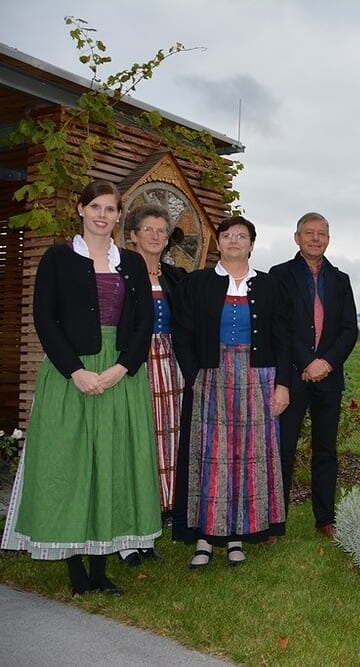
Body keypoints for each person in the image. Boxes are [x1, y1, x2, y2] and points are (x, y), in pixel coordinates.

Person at [1, 179, 160, 596]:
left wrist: (122, 367)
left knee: (111, 462)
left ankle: (101, 567)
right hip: (69, 371)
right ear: (81, 209)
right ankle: (75, 572)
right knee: (71, 464)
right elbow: (45, 318)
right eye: (96, 207)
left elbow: (144, 322)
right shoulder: (58, 258)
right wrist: (75, 370)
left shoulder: (131, 261)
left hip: (120, 373)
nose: (103, 216)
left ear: (118, 215)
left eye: (110, 209)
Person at [171, 216, 291, 568]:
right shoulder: (198, 283)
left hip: (258, 377)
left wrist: (283, 383)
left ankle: (237, 535)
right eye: (228, 236)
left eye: (242, 236)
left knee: (247, 457)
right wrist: (195, 375)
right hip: (212, 376)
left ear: (252, 244)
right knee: (212, 455)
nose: (234, 241)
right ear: (218, 243)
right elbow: (183, 332)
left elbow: (284, 337)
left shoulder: (270, 286)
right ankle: (206, 537)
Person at [269, 212, 358, 540]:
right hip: (292, 377)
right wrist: (308, 362)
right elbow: (279, 326)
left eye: (321, 234)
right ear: (297, 237)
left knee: (326, 450)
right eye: (309, 233)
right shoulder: (280, 275)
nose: (315, 238)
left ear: (328, 239)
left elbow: (350, 329)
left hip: (329, 379)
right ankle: (275, 521)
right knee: (284, 448)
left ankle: (325, 518)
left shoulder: (340, 279)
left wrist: (326, 363)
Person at [117, 203, 187, 566]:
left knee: (167, 440)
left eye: (162, 230)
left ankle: (158, 515)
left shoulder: (174, 277)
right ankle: (128, 533)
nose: (156, 236)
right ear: (132, 234)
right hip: (133, 363)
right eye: (149, 229)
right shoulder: (120, 274)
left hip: (170, 364)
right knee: (135, 442)